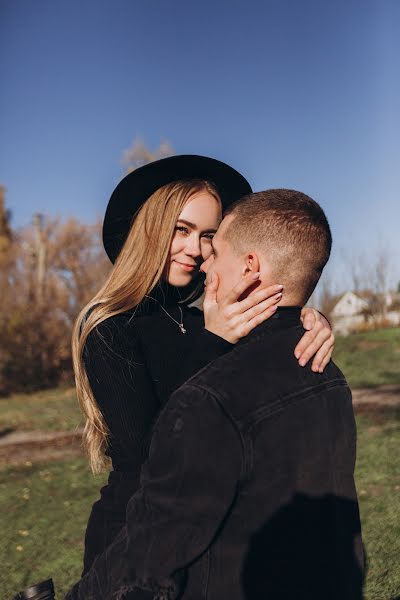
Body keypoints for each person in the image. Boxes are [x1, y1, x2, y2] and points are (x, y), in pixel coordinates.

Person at [65, 188, 363, 600]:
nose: (198, 249)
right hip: (133, 540)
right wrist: (213, 342)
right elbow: (148, 453)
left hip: (200, 527)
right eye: (181, 230)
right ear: (151, 231)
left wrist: (307, 320)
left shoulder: (202, 314)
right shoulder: (112, 329)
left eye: (208, 235)